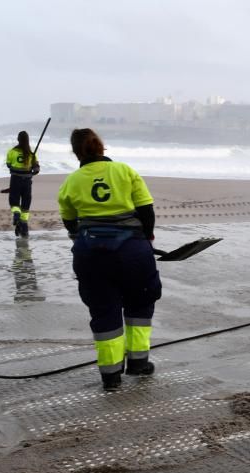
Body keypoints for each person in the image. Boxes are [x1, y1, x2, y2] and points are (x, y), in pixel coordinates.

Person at [58, 129, 161, 391]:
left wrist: (77, 239)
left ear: (75, 152)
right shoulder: (125, 171)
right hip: (133, 251)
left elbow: (69, 220)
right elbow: (146, 210)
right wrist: (147, 239)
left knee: (103, 311)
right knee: (140, 304)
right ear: (101, 147)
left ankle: (111, 376)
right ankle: (139, 363)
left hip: (91, 254)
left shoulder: (72, 181)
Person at [5, 131, 40, 237]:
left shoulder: (12, 152)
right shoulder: (31, 154)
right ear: (27, 140)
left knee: (14, 200)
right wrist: (33, 169)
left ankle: (16, 214)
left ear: (18, 139)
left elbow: (8, 165)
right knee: (25, 204)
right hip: (27, 182)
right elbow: (37, 168)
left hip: (15, 180)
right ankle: (24, 227)